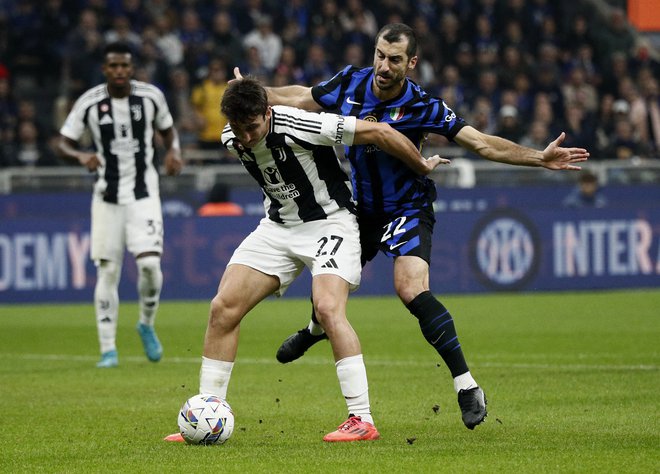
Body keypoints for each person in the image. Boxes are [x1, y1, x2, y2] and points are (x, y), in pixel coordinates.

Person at [247, 22, 589, 430]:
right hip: (359, 211)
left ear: (411, 63)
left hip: (408, 207)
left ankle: (466, 385)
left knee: (410, 287)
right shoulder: (351, 83)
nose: (384, 67)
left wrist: (538, 157)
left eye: (394, 60)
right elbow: (301, 97)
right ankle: (314, 329)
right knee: (329, 283)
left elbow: (479, 142)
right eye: (379, 55)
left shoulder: (424, 105)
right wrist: (255, 95)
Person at [165, 76, 446, 443]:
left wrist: (421, 165)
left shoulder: (302, 123)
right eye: (238, 128)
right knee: (223, 308)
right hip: (278, 227)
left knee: (328, 308)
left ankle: (361, 419)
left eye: (252, 127)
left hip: (332, 222)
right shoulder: (231, 136)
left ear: (267, 113)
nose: (246, 137)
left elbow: (381, 133)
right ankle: (209, 414)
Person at [57, 42, 183, 368]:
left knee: (150, 268)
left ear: (132, 68)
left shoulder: (151, 97)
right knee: (108, 271)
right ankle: (108, 350)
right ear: (105, 69)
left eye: (124, 66)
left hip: (143, 195)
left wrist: (175, 152)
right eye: (113, 66)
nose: (119, 71)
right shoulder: (90, 102)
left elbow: (169, 132)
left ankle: (145, 323)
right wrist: (80, 155)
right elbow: (63, 142)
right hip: (107, 199)